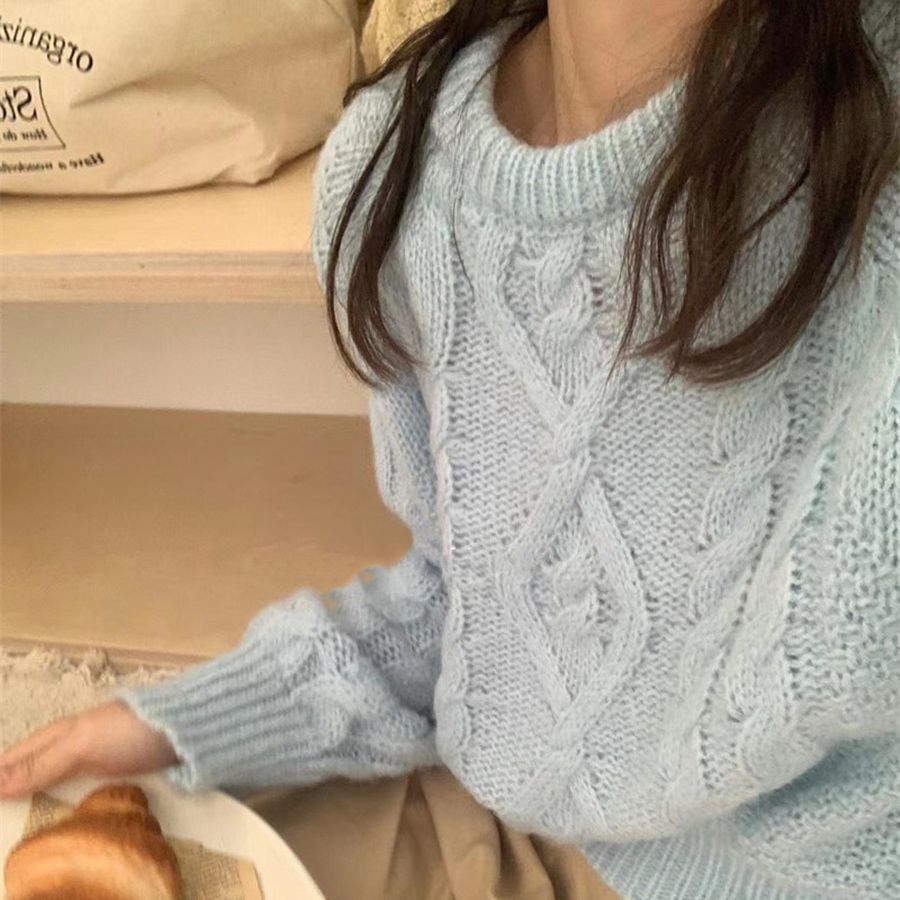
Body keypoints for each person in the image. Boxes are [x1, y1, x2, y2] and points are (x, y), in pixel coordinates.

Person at [2, 1, 898, 897]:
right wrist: (198, 716)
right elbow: (477, 604)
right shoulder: (399, 162)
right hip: (525, 824)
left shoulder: (871, 172)